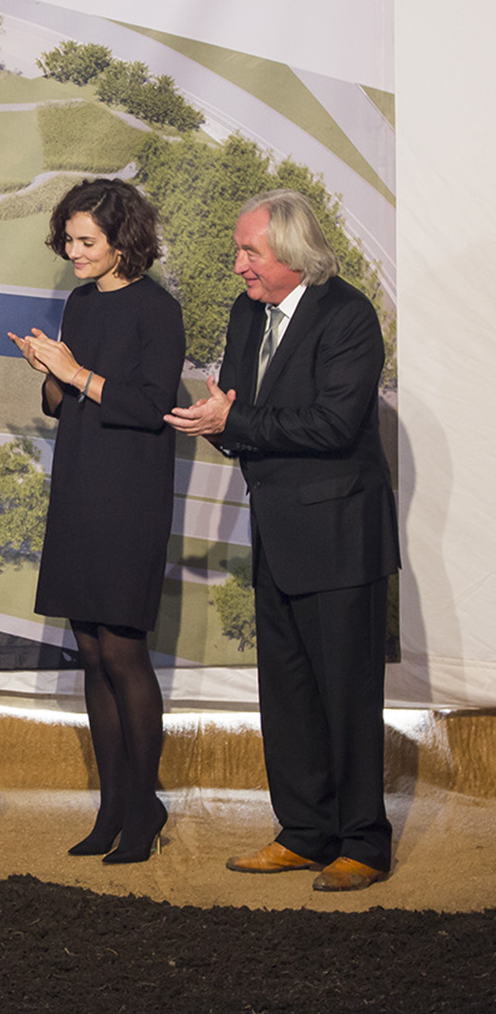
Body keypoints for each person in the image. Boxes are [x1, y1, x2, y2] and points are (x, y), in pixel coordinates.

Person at [166, 189, 399, 892]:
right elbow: (238, 413)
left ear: (293, 256)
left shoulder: (348, 316)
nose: (238, 265)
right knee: (288, 693)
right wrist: (222, 418)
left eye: (249, 252)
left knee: (346, 696)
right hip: (275, 530)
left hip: (340, 536)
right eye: (239, 250)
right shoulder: (247, 312)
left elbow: (330, 425)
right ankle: (302, 832)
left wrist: (237, 418)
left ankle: (363, 841)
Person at [10, 178, 185, 865]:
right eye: (68, 240)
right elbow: (61, 404)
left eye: (85, 241)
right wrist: (47, 370)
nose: (72, 252)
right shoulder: (79, 303)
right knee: (87, 647)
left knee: (121, 648)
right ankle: (112, 806)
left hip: (129, 492)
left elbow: (149, 406)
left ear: (122, 240)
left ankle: (143, 808)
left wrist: (75, 371)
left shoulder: (156, 310)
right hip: (80, 484)